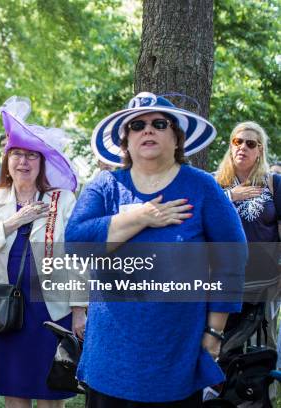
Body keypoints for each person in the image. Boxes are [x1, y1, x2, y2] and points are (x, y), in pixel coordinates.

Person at [68, 92, 247, 407]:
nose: (146, 130)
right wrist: (142, 216)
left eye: (158, 123)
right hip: (110, 356)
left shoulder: (203, 187)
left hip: (177, 353)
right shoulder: (104, 186)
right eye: (136, 125)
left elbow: (232, 259)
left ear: (177, 138)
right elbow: (76, 245)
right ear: (126, 142)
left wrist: (215, 332)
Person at [0, 97, 84, 407]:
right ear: (7, 160)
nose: (23, 162)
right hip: (3, 306)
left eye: (32, 155)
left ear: (42, 162)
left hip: (49, 308)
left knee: (49, 391)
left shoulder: (62, 200)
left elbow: (76, 258)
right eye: (17, 154)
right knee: (14, 390)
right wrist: (12, 222)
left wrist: (79, 309)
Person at [214, 121, 280, 360]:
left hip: (264, 283)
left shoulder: (273, 183)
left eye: (250, 143)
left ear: (259, 150)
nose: (242, 147)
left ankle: (260, 395)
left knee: (262, 344)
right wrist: (231, 196)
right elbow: (198, 217)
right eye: (237, 141)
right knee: (220, 344)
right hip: (222, 281)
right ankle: (217, 396)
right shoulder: (215, 184)